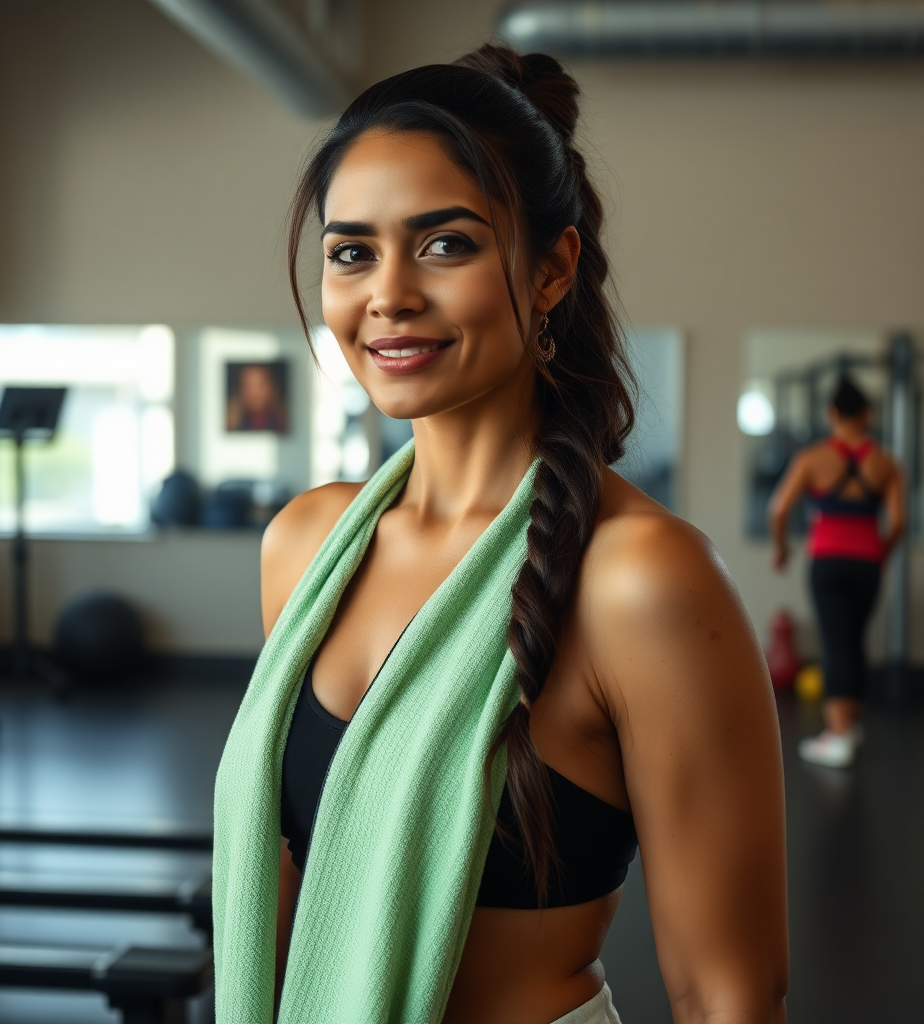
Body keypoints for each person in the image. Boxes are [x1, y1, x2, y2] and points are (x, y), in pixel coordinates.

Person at [213, 45, 787, 1024]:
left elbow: (725, 995)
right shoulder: (305, 544)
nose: (387, 293)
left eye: (446, 244)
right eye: (352, 251)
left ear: (552, 268)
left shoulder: (639, 577)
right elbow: (280, 901)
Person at [770, 374, 903, 768]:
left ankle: (838, 735)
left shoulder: (813, 459)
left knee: (834, 642)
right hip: (867, 564)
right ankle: (852, 723)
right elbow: (897, 522)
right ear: (866, 414)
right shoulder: (886, 462)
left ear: (831, 414)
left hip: (827, 562)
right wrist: (881, 554)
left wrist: (781, 549)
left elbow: (778, 509)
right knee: (854, 638)